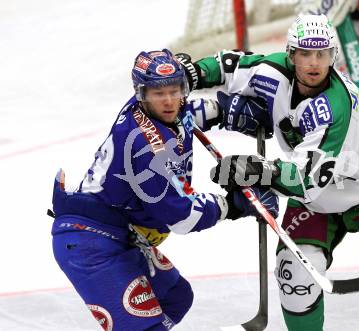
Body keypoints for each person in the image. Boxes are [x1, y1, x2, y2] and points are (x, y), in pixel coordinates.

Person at [177, 14, 359, 331]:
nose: (314, 63)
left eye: (323, 54)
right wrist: (190, 74)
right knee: (294, 276)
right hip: (318, 202)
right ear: (291, 54)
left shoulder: (335, 108)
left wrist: (258, 170)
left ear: (333, 57)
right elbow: (229, 66)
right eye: (305, 53)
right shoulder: (272, 70)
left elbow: (306, 179)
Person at [49, 49, 279, 331]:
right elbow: (179, 215)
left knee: (174, 298)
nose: (169, 101)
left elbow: (183, 115)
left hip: (120, 233)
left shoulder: (148, 106)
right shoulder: (145, 148)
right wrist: (233, 205)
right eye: (159, 94)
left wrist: (224, 110)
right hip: (90, 243)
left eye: (175, 90)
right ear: (142, 93)